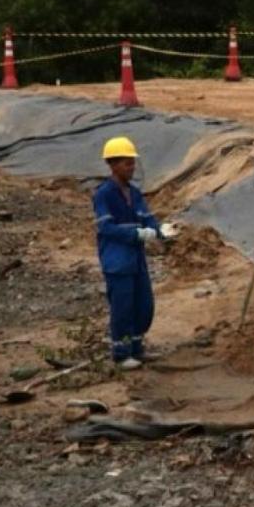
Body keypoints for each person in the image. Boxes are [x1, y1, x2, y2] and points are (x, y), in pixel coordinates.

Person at [94, 136, 163, 369]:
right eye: (127, 163)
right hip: (117, 260)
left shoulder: (134, 193)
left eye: (132, 163)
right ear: (113, 165)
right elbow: (106, 227)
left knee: (143, 305)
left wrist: (159, 230)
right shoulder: (104, 194)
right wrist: (136, 234)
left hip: (135, 260)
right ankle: (121, 354)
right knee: (122, 307)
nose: (131, 168)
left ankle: (137, 348)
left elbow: (146, 217)